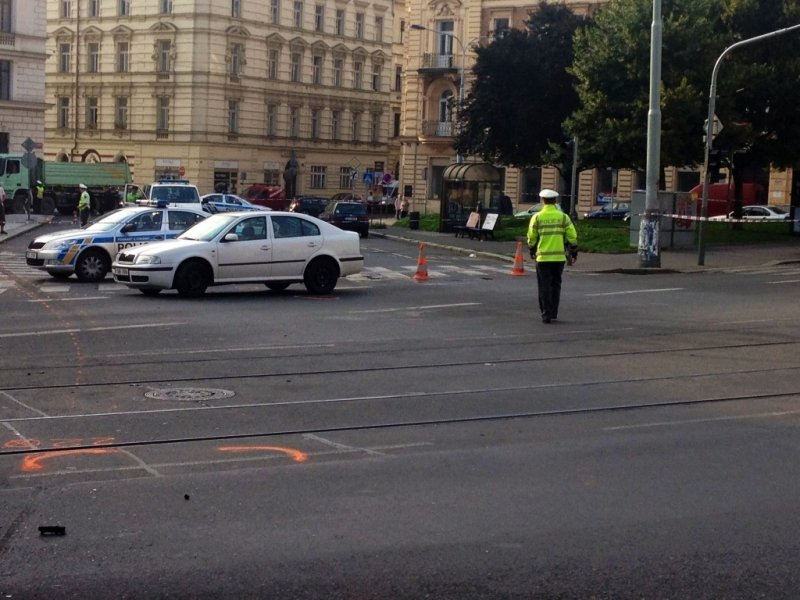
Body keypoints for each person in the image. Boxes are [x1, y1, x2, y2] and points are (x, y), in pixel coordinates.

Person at [526, 188, 578, 323]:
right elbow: (572, 235)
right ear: (555, 201)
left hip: (543, 258)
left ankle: (546, 313)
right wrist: (574, 250)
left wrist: (531, 249)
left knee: (544, 286)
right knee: (556, 285)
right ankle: (554, 312)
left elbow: (532, 237)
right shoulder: (563, 217)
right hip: (559, 258)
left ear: (543, 201)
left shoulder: (537, 217)